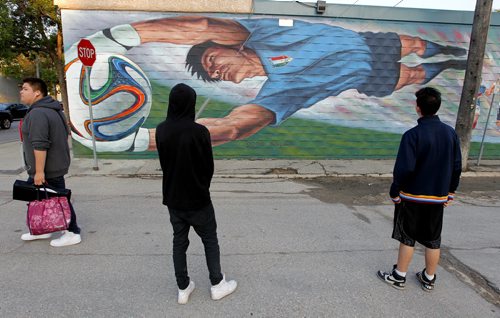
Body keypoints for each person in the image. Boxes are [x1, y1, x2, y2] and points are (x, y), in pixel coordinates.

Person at [66, 15, 468, 151]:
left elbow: (203, 25)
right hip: (369, 76)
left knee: (416, 44)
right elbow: (235, 126)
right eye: (211, 75)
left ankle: (442, 49)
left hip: (367, 43)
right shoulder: (278, 93)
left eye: (212, 60)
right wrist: (138, 140)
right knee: (414, 75)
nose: (215, 71)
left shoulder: (259, 33)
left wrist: (121, 36)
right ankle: (449, 64)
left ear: (228, 46)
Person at [156, 83, 237, 304]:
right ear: (191, 104)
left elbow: (165, 163)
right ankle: (217, 283)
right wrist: (200, 187)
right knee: (210, 239)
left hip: (173, 198)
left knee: (179, 241)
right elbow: (207, 168)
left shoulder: (162, 130)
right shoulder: (199, 132)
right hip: (198, 199)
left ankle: (183, 287)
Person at [377, 87, 461, 291]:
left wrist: (394, 191)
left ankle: (399, 275)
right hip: (438, 197)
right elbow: (457, 165)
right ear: (438, 106)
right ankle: (429, 277)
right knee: (433, 239)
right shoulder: (450, 134)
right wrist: (450, 191)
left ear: (418, 108)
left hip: (413, 195)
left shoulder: (412, 135)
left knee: (408, 236)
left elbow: (404, 168)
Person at [19, 78, 82, 247]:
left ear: (37, 92)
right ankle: (42, 228)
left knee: (59, 200)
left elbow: (40, 144)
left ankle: (72, 232)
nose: (21, 92)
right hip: (52, 165)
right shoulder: (53, 109)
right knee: (38, 198)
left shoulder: (38, 113)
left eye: (25, 89)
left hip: (47, 168)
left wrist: (39, 172)